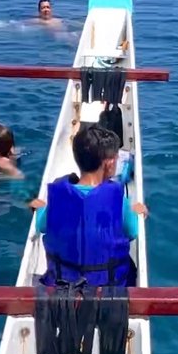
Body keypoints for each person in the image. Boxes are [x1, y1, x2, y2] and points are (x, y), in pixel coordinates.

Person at [30, 122, 146, 285]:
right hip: (108, 290)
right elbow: (132, 232)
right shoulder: (119, 200)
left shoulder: (58, 197)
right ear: (110, 163)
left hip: (63, 288)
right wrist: (138, 212)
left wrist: (41, 208)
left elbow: (41, 225)